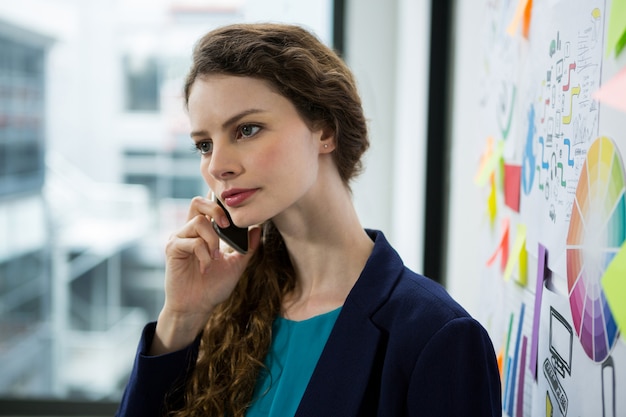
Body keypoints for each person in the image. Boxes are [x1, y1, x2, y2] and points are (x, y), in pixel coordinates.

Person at [116, 23, 501, 417]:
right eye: (204, 144)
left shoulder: (437, 336)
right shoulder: (225, 309)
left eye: (247, 129)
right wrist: (181, 317)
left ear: (325, 130)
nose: (217, 166)